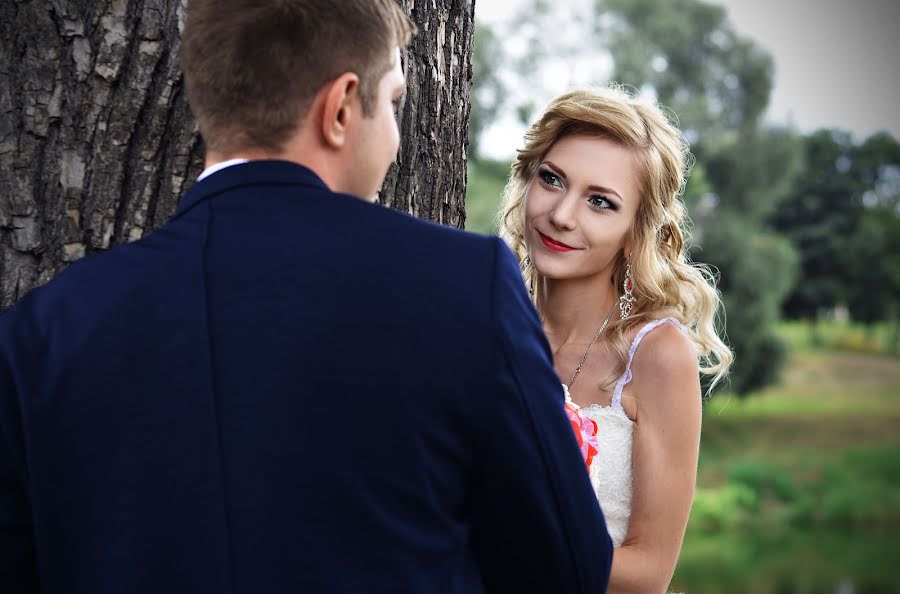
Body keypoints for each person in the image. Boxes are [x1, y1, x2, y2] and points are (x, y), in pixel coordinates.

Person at [0, 2, 613, 593]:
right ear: (342, 107)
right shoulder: (464, 283)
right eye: (393, 103)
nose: (397, 140)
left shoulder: (42, 332)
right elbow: (566, 565)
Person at [499, 86, 733, 594]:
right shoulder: (485, 325)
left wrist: (501, 540)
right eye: (552, 179)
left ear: (635, 230)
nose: (563, 214)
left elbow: (648, 576)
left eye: (600, 202)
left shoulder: (656, 354)